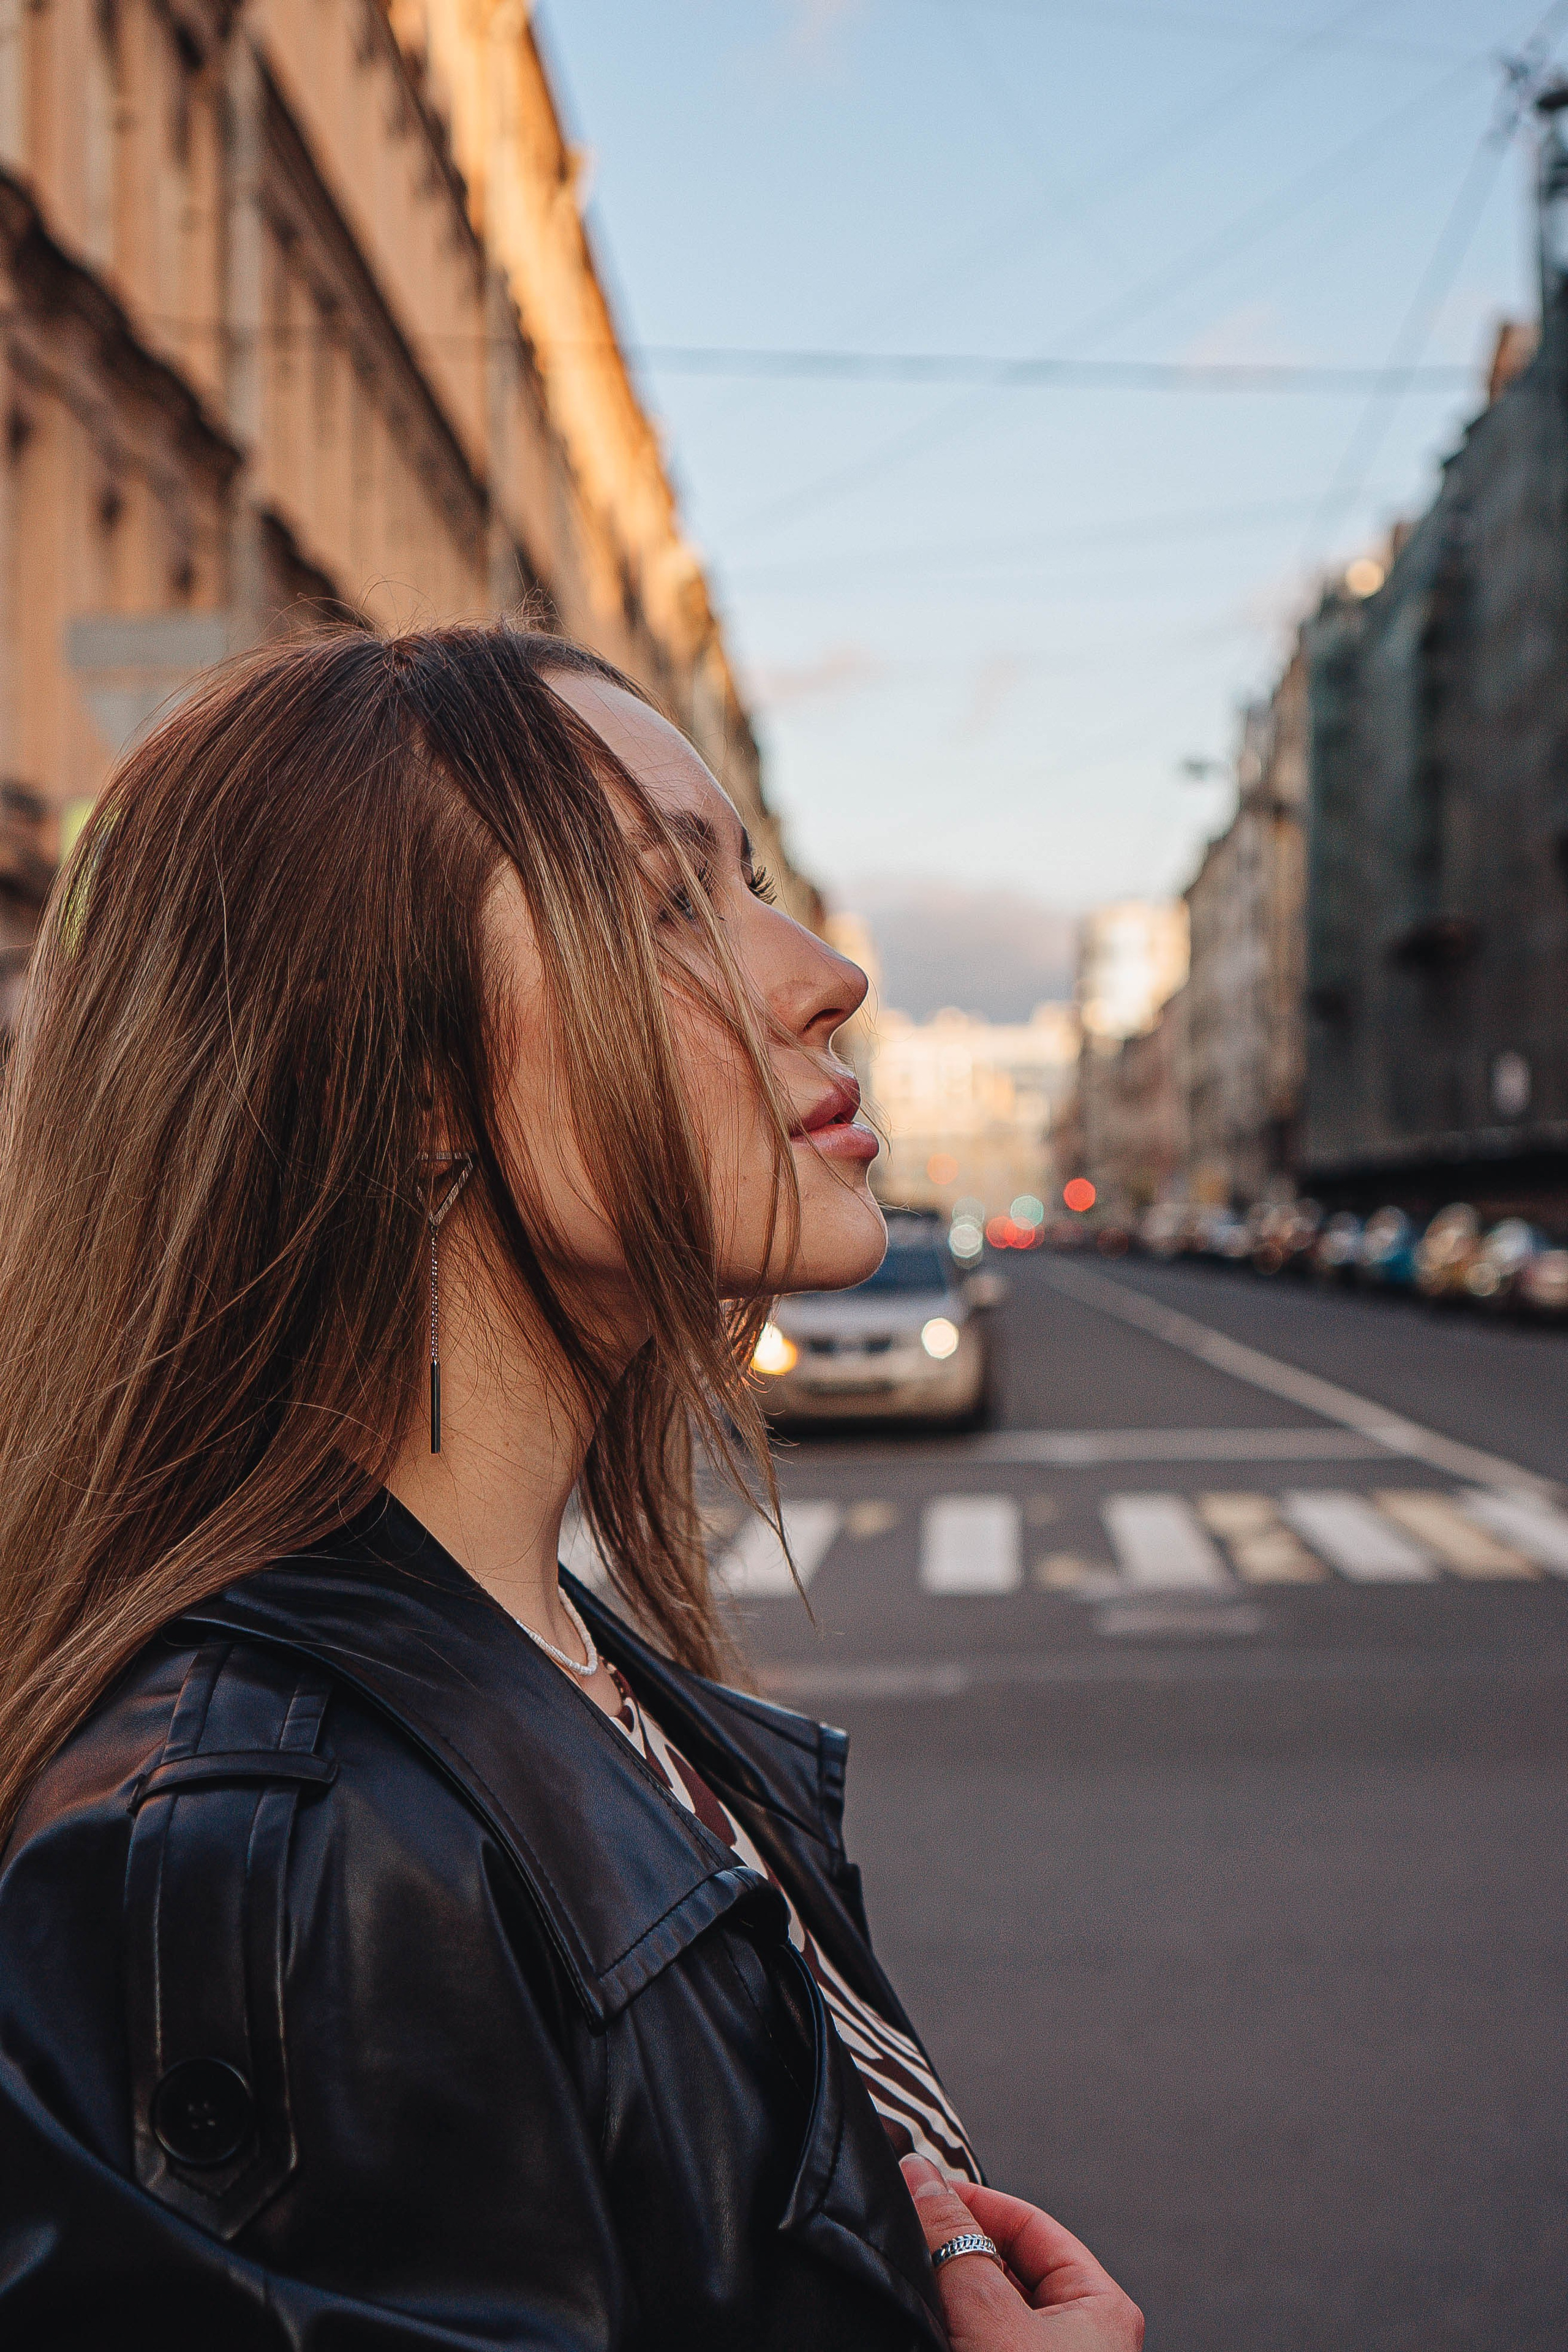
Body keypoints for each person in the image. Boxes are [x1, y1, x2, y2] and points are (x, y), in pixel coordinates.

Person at [0, 625, 1142, 2352]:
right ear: (406, 1077)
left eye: (743, 882)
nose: (826, 970)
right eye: (670, 904)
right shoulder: (279, 1854)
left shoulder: (545, 1673)